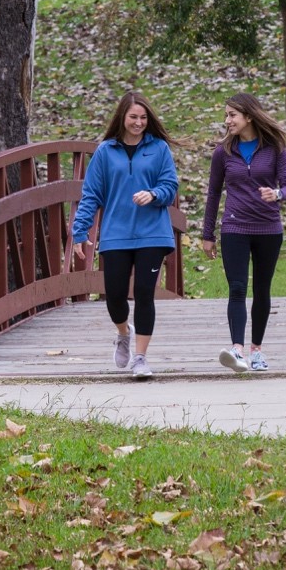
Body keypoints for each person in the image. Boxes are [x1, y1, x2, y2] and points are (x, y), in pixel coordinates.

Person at [72, 91, 180, 380]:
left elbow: (170, 186)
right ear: (122, 117)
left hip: (152, 234)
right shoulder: (105, 152)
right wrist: (79, 231)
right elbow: (91, 194)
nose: (139, 122)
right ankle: (123, 333)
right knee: (115, 296)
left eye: (144, 118)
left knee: (145, 294)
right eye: (133, 117)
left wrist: (154, 194)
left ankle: (141, 359)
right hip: (116, 234)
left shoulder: (158, 149)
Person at [200, 93, 286, 373]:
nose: (227, 120)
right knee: (237, 288)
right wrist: (208, 234)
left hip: (268, 228)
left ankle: (257, 352)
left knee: (262, 290)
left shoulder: (275, 147)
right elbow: (214, 192)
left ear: (249, 117)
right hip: (235, 227)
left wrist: (276, 193)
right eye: (226, 115)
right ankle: (237, 350)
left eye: (232, 115)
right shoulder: (223, 152)